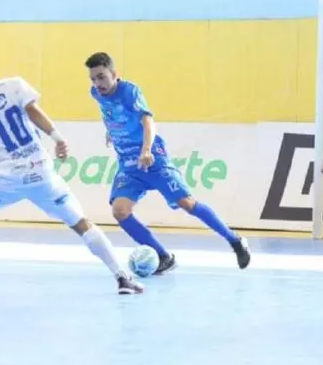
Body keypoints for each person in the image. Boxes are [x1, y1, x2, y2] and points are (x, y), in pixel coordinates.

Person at [0, 46, 144, 295]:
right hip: (44, 174)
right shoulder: (15, 85)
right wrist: (58, 138)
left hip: (5, 181)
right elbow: (33, 111)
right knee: (81, 223)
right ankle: (122, 277)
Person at [84, 52, 251, 274]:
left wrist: (146, 150)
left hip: (153, 158)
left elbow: (147, 120)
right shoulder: (96, 93)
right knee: (120, 211)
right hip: (128, 165)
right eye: (93, 79)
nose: (98, 83)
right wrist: (111, 130)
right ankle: (164, 256)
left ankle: (235, 241)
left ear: (115, 74)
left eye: (102, 77)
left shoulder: (130, 92)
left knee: (186, 203)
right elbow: (111, 113)